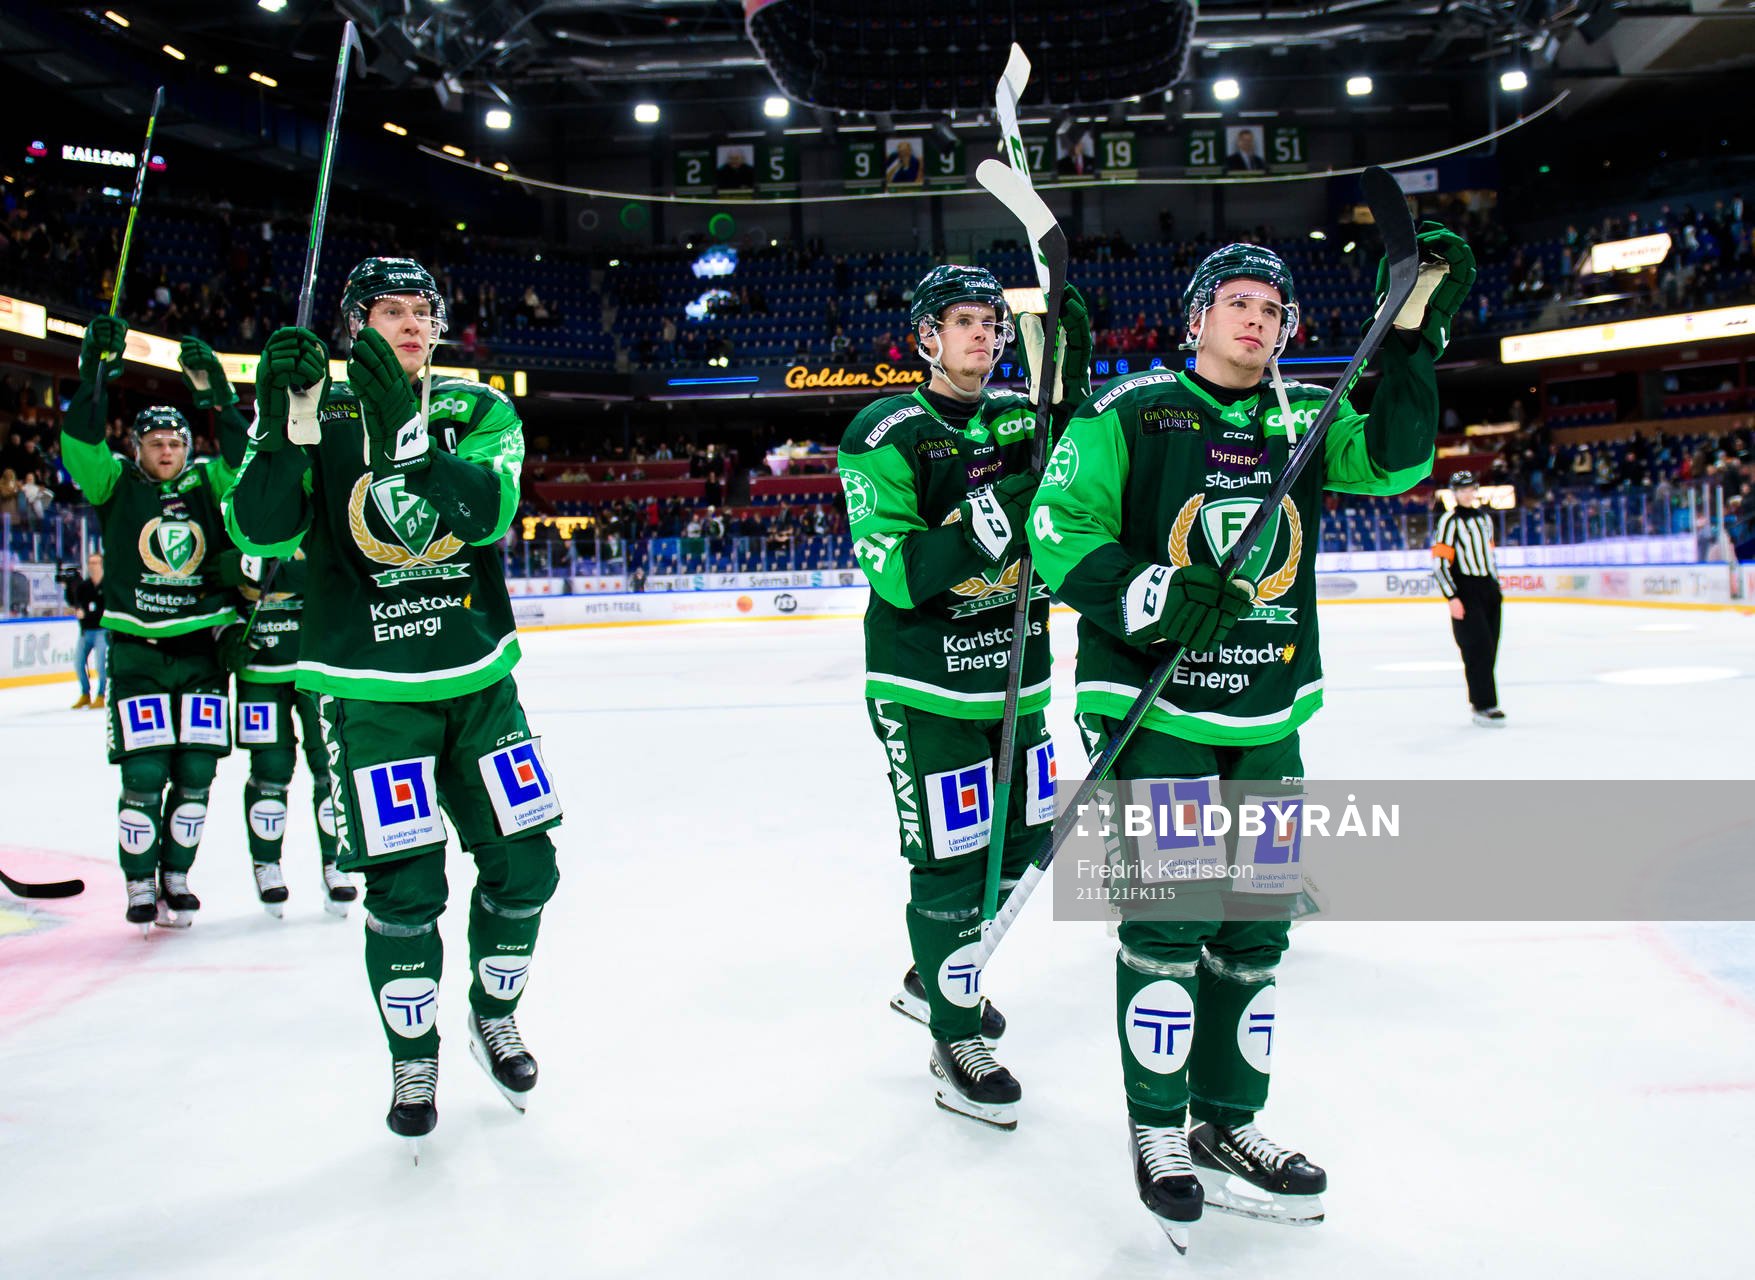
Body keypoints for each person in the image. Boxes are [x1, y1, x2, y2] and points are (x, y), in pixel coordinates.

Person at [1029, 230, 1474, 1250]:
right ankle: (1158, 1127)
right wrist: (1153, 591)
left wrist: (1410, 337)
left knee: (1256, 927)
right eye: (1237, 301)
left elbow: (1397, 460)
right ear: (1196, 317)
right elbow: (1058, 526)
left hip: (1268, 708)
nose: (1256, 319)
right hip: (1155, 707)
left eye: (1272, 309)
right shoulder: (1129, 410)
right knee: (1171, 918)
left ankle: (1226, 1121)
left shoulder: (1305, 416)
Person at [225, 257, 562, 1157]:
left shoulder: (476, 408)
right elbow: (257, 534)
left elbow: (487, 513)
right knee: (405, 891)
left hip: (479, 684)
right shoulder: (316, 411)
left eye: (423, 311)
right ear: (353, 326)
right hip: (371, 697)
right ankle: (413, 1062)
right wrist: (275, 423)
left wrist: (409, 439)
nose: (412, 325)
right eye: (390, 312)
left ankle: (493, 1014)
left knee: (528, 867)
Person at [838, 264, 1091, 1130]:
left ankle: (933, 971)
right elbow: (901, 575)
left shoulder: (1023, 417)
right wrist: (1007, 497)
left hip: (1017, 681)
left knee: (1021, 850)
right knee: (952, 861)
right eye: (964, 322)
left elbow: (1082, 493)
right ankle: (954, 1037)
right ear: (925, 337)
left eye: (992, 322)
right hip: (926, 687)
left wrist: (1070, 404)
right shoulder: (885, 432)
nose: (983, 334)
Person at [60, 318, 247, 932]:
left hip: (202, 653)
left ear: (189, 448)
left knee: (195, 778)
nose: (166, 451)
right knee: (143, 778)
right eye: (155, 443)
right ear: (136, 447)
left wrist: (220, 398)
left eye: (176, 442)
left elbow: (246, 462)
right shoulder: (116, 482)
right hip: (138, 654)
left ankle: (177, 875)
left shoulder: (208, 482)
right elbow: (80, 445)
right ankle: (139, 880)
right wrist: (93, 375)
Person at [1432, 469, 1505, 725]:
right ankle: (1484, 704)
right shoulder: (1449, 521)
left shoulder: (1485, 519)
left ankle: (1483, 700)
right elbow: (1440, 564)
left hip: (1488, 589)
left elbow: (1489, 556)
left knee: (1491, 647)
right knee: (1477, 648)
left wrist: (1496, 586)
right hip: (1466, 590)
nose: (1467, 494)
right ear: (1454, 493)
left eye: (1470, 488)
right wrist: (1452, 597)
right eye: (1461, 489)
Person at [67, 552, 108, 709]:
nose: (92, 566)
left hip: (102, 630)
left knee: (100, 665)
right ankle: (85, 693)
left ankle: (101, 695)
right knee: (78, 663)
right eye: (90, 563)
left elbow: (106, 610)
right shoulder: (84, 586)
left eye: (95, 563)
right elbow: (75, 602)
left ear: (102, 565)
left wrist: (88, 614)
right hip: (85, 632)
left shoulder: (108, 587)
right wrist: (68, 587)